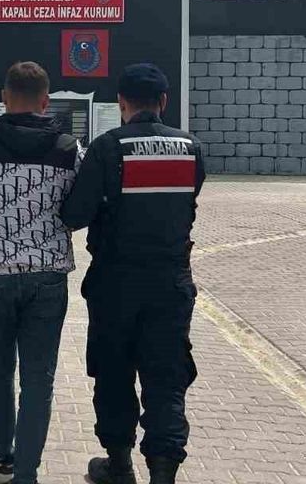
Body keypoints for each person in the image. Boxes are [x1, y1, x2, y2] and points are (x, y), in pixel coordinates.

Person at [60, 63, 205, 484]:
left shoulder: (107, 148)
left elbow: (76, 214)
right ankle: (163, 472)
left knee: (113, 372)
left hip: (115, 283)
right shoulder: (191, 148)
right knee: (166, 377)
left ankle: (119, 465)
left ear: (121, 102)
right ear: (164, 101)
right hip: (170, 283)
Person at [0, 61, 82, 484]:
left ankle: (1, 455)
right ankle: (26, 473)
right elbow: (80, 207)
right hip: (48, 275)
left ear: (3, 98)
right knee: (38, 379)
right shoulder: (68, 149)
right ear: (45, 101)